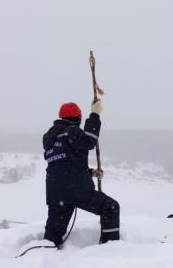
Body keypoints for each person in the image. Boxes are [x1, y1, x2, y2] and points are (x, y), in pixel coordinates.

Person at [42, 99, 120, 245]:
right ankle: (111, 248)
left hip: (56, 193)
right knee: (111, 207)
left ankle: (42, 255)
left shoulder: (51, 139)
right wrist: (95, 114)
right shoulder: (71, 131)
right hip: (77, 191)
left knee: (54, 233)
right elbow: (89, 140)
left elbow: (65, 165)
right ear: (78, 119)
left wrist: (91, 173)